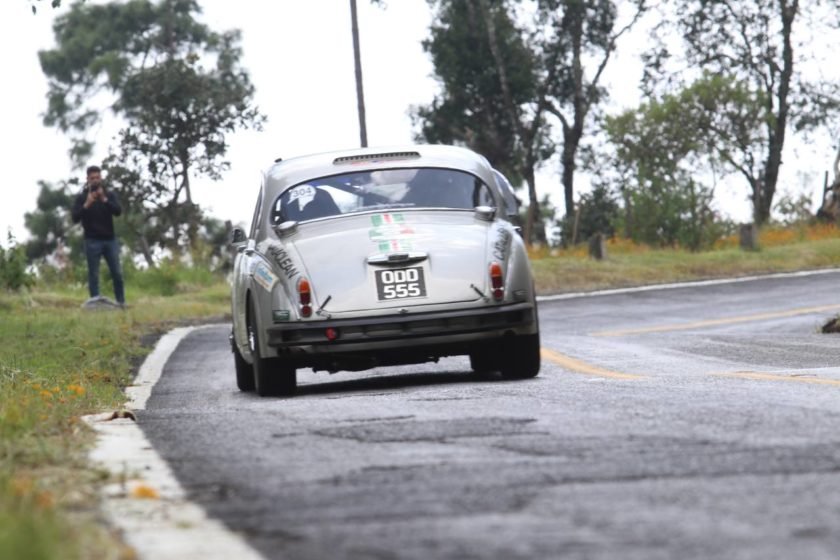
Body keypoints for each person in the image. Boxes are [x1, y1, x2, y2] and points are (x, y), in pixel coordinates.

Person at [71, 165, 126, 306]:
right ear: (87, 179)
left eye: (97, 177)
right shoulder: (82, 197)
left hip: (110, 240)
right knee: (93, 275)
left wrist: (104, 200)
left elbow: (118, 211)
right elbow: (75, 217)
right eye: (92, 178)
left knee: (117, 273)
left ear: (101, 178)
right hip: (91, 240)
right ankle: (95, 304)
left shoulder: (109, 195)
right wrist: (87, 204)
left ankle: (121, 303)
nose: (95, 181)